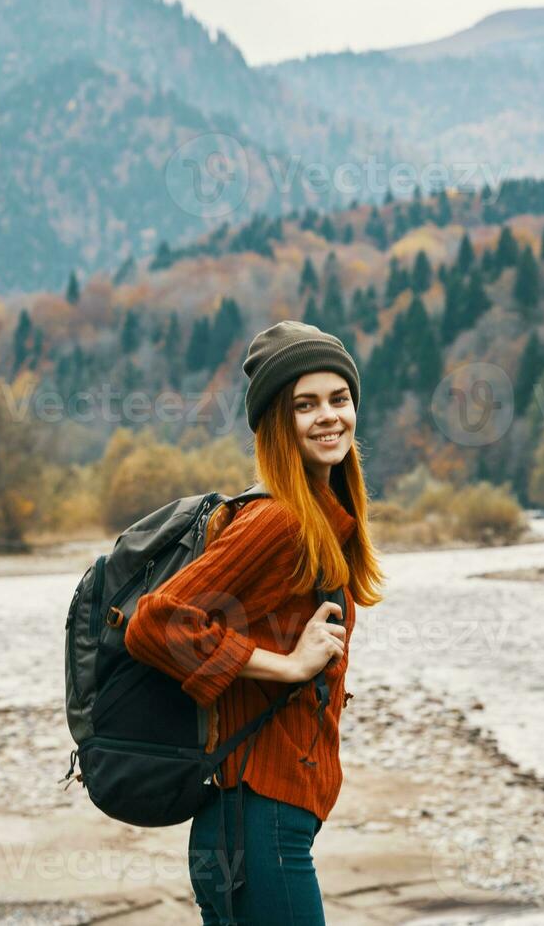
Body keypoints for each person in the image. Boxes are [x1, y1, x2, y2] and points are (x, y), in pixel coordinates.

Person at [124, 320, 386, 924]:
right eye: (305, 404)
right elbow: (156, 621)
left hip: (265, 827)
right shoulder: (280, 522)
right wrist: (287, 664)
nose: (329, 417)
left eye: (339, 399)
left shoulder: (323, 518)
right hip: (256, 827)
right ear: (276, 422)